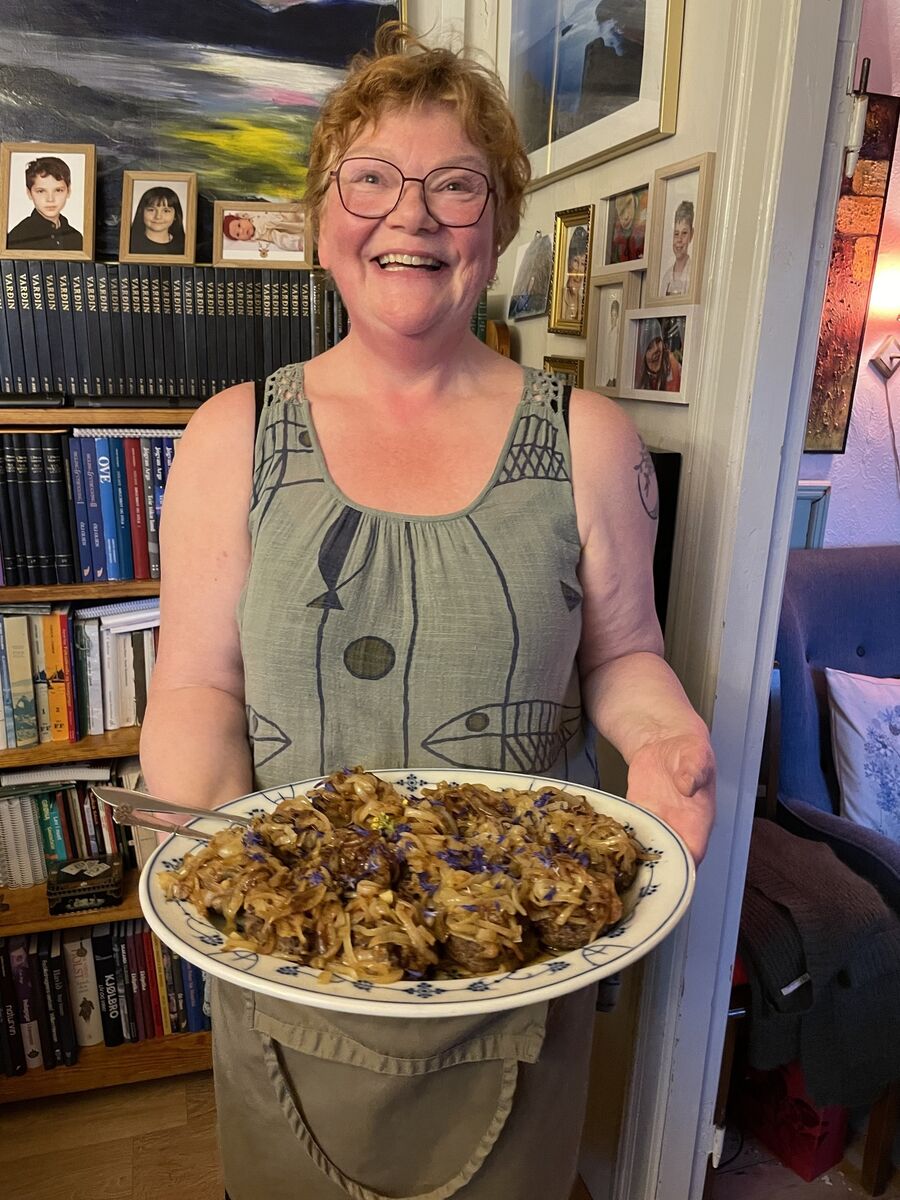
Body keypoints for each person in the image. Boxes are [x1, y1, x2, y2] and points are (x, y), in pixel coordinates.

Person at [141, 22, 715, 1200]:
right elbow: (199, 685)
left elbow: (624, 656)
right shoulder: (229, 437)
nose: (412, 216)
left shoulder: (590, 438)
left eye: (456, 185)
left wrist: (661, 738)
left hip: (518, 977)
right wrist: (204, 875)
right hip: (291, 974)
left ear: (499, 224)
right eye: (372, 180)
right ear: (323, 218)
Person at [6, 155, 82, 252]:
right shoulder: (17, 238)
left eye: (58, 190)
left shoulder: (76, 238)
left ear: (69, 190)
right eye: (41, 191)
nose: (50, 199)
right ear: (29, 193)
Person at [128, 185, 186, 256]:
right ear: (141, 212)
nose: (158, 216)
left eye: (166, 211)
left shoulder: (185, 247)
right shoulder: (128, 244)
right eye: (151, 210)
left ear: (176, 216)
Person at [223, 209, 306, 254]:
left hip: (286, 210)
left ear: (242, 218)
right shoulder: (262, 234)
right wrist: (297, 244)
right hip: (291, 224)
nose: (242, 231)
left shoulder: (250, 212)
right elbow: (280, 239)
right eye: (238, 234)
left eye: (239, 225)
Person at [637, 318, 682, 392]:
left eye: (658, 341)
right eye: (649, 347)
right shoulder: (640, 376)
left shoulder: (674, 367)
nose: (656, 349)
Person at [660, 199, 694, 296]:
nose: (679, 239)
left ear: (691, 235)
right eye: (676, 233)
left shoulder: (693, 275)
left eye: (684, 233)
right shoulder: (666, 277)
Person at [609, 187, 646, 263]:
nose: (626, 216)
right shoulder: (614, 243)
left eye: (629, 203)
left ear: (635, 201)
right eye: (621, 212)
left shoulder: (645, 230)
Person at [561, 224, 589, 323]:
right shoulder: (559, 300)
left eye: (583, 264)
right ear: (569, 261)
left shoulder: (585, 303)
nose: (579, 272)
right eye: (576, 261)